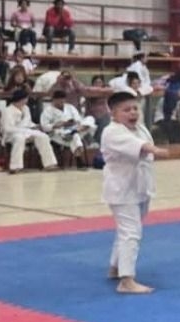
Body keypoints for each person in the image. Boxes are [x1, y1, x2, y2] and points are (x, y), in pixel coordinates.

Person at [101, 91, 168, 295]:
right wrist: (155, 150)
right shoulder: (112, 131)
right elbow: (139, 147)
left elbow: (142, 142)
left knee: (127, 229)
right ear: (113, 113)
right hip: (122, 189)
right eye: (126, 110)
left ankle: (115, 267)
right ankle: (126, 280)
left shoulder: (139, 128)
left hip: (140, 187)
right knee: (131, 232)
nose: (132, 113)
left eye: (135, 108)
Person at [0, 88, 58, 173]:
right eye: (25, 98)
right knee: (19, 139)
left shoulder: (26, 108)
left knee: (43, 136)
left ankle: (50, 164)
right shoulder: (7, 110)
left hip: (27, 132)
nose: (26, 100)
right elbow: (7, 128)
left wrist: (35, 126)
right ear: (20, 99)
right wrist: (24, 132)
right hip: (11, 134)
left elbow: (28, 123)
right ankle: (15, 167)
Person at [41, 88, 94, 169]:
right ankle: (79, 159)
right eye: (59, 100)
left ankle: (75, 131)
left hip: (75, 128)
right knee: (75, 136)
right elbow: (44, 127)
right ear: (54, 100)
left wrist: (73, 122)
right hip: (59, 134)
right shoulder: (47, 111)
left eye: (63, 100)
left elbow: (78, 119)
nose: (61, 102)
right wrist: (57, 125)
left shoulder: (70, 107)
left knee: (90, 118)